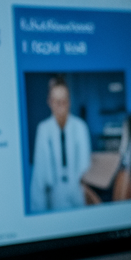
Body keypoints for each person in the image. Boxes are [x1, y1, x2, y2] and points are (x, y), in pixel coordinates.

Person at [29, 75, 93, 212]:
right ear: (49, 102)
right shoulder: (44, 129)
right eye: (56, 101)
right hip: (54, 192)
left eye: (63, 101)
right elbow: (39, 172)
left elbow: (85, 165)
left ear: (69, 102)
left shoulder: (80, 127)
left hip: (77, 189)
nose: (60, 106)